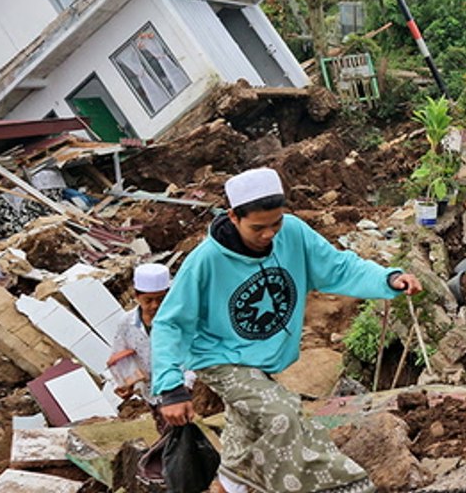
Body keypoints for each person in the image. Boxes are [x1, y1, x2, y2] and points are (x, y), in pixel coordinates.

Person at [150, 167, 421, 493]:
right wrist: (171, 388)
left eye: (276, 223)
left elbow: (338, 266)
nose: (269, 235)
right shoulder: (205, 261)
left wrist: (386, 279)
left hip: (262, 359)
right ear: (234, 217)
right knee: (282, 415)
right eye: (258, 227)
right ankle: (344, 486)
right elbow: (170, 322)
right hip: (219, 358)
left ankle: (226, 486)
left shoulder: (293, 233)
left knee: (247, 437)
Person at [109, 263, 174, 404]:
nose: (155, 305)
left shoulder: (178, 319)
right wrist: (123, 384)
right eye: (148, 300)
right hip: (151, 395)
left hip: (181, 392)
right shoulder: (126, 323)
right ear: (137, 296)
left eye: (160, 299)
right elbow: (118, 357)